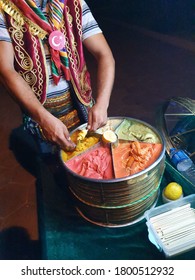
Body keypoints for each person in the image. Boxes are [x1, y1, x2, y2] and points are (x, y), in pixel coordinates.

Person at [0, 0, 115, 154]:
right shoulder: (6, 8)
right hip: (40, 115)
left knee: (93, 162)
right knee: (50, 167)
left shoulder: (75, 3)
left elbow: (104, 55)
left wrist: (102, 103)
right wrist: (42, 118)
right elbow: (5, 70)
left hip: (83, 108)